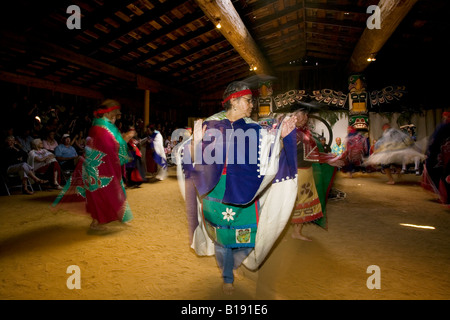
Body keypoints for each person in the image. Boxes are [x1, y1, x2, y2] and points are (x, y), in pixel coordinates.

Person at [176, 81, 298, 295]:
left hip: (245, 192)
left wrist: (284, 136)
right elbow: (191, 159)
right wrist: (195, 142)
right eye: (248, 100)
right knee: (222, 239)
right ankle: (227, 276)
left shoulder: (255, 128)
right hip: (216, 191)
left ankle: (233, 263)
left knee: (247, 237)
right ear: (234, 100)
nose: (252, 105)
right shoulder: (209, 125)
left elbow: (270, 156)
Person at [52, 99, 135, 230]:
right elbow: (108, 147)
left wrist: (124, 140)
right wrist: (125, 139)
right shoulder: (100, 128)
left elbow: (113, 146)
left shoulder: (105, 127)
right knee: (102, 195)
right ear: (108, 114)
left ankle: (118, 218)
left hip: (103, 168)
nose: (115, 118)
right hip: (98, 169)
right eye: (114, 115)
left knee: (113, 193)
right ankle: (97, 222)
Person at [290, 109, 337, 241]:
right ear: (294, 116)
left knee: (303, 203)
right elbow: (308, 155)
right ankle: (281, 234)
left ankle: (296, 232)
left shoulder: (304, 133)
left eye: (306, 115)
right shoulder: (291, 133)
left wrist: (328, 158)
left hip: (306, 172)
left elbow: (310, 153)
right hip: (295, 173)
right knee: (291, 203)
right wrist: (328, 158)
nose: (305, 117)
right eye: (302, 114)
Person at [421, 111, 449, 207]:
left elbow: (434, 142)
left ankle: (446, 197)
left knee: (441, 174)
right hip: (442, 155)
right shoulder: (442, 127)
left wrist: (429, 152)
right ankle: (445, 196)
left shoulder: (443, 127)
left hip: (440, 156)